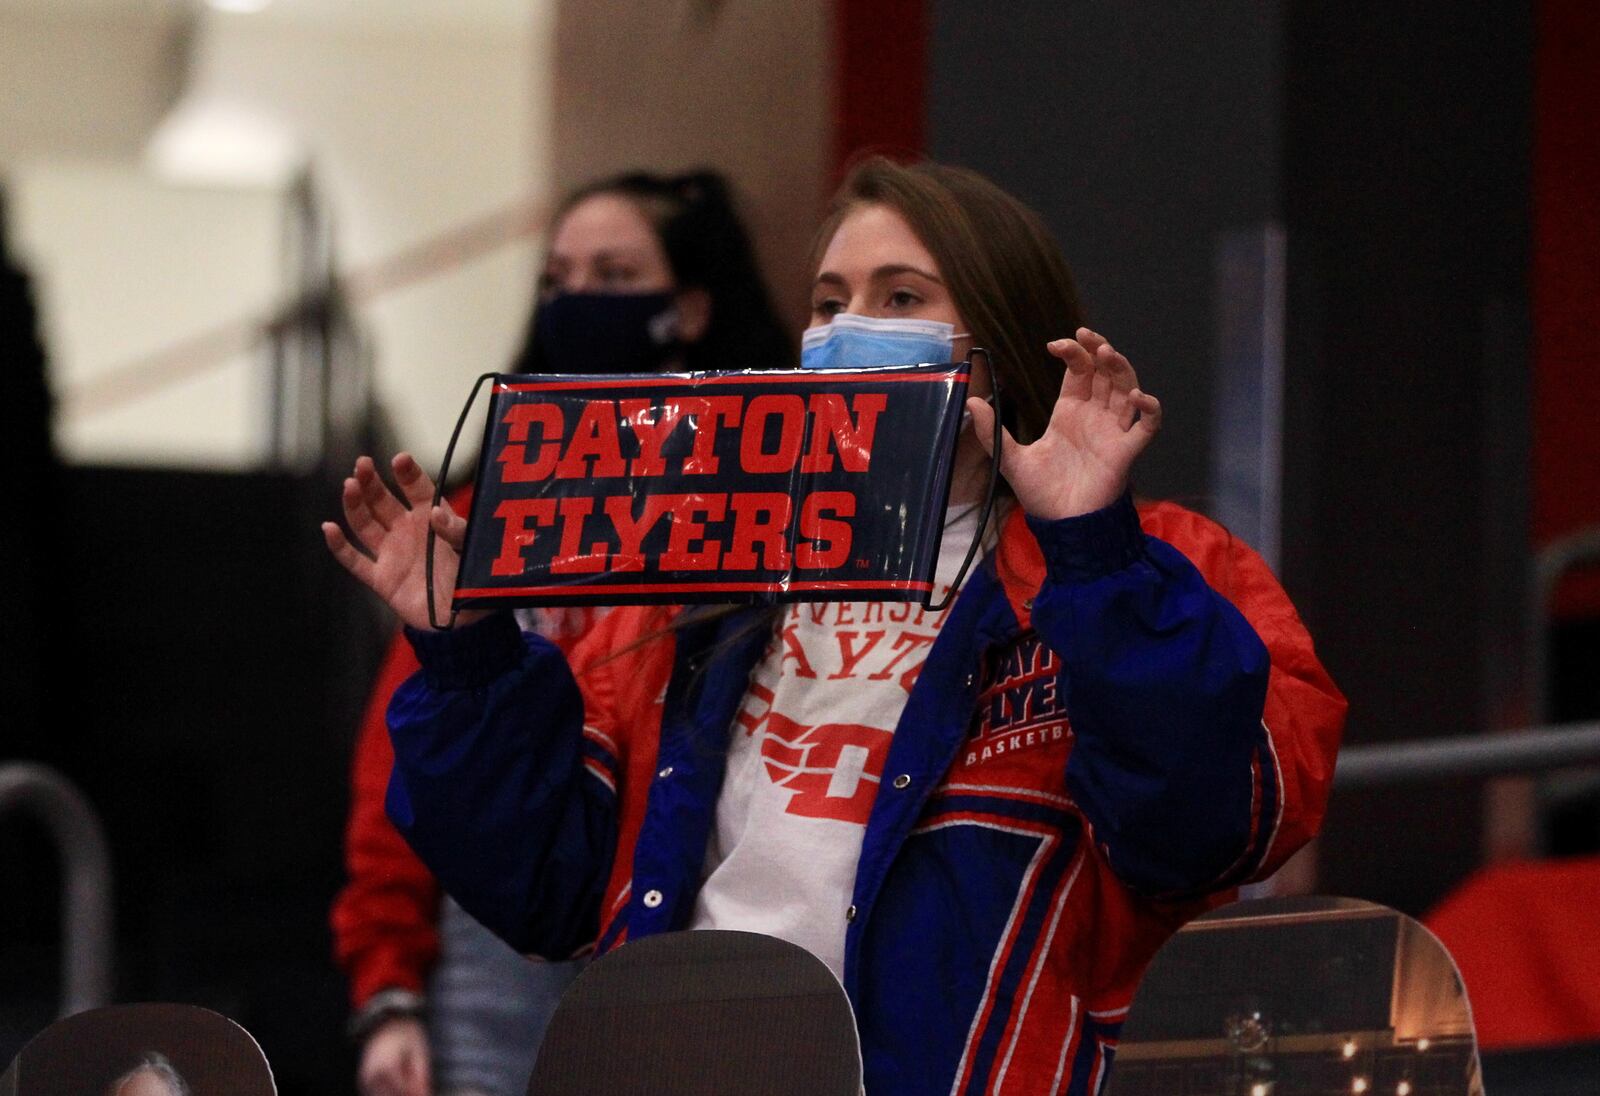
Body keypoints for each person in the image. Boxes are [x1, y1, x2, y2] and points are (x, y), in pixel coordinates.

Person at [323, 156, 1347, 1096]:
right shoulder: (704, 575)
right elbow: (544, 885)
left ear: (998, 333)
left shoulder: (1164, 562)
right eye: (826, 304)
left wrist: (1091, 551)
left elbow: (1215, 827)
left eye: (899, 297)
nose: (846, 327)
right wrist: (469, 653)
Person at [329, 169, 792, 1096]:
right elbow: (399, 772)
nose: (578, 300)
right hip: (494, 975)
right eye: (558, 278)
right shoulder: (470, 519)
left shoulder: (763, 515)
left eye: (615, 277)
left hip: (693, 957)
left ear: (691, 306)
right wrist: (388, 989)